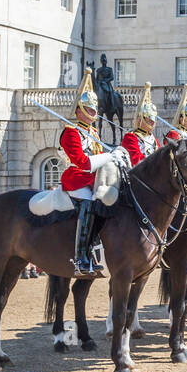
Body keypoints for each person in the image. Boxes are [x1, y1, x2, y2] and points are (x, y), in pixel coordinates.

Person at [62, 69, 129, 278]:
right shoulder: (71, 132)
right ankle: (81, 256)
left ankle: (94, 247)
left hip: (92, 179)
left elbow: (98, 156)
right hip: (76, 179)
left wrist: (114, 153)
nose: (93, 113)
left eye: (94, 110)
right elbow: (82, 163)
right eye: (88, 110)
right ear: (79, 110)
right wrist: (108, 157)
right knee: (89, 205)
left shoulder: (91, 131)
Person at [123, 83, 161, 164]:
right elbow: (136, 160)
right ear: (141, 119)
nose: (152, 122)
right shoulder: (131, 137)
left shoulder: (153, 138)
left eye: (153, 119)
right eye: (149, 119)